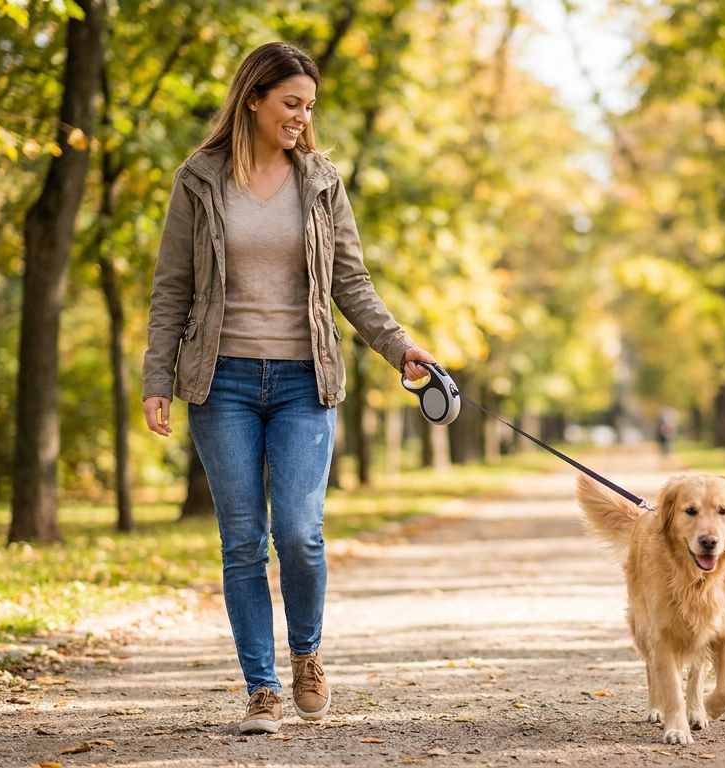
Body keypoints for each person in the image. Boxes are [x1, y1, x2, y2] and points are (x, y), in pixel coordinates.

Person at [140, 42, 436, 735]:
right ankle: (261, 690)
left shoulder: (322, 181)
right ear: (253, 98)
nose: (303, 118)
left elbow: (351, 283)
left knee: (300, 534)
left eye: (309, 106)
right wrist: (158, 376)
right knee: (244, 539)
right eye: (291, 104)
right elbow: (171, 290)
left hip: (306, 379)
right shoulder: (200, 178)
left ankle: (306, 654)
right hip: (224, 382)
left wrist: (399, 346)